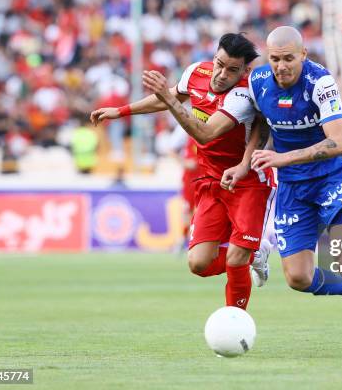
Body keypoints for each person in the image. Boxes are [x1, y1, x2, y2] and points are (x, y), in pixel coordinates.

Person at [90, 33, 274, 310]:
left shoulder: (243, 95)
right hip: (212, 180)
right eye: (219, 64)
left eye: (232, 70)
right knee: (198, 263)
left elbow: (204, 134)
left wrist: (168, 97)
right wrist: (122, 111)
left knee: (236, 259)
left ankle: (236, 321)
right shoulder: (196, 72)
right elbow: (167, 99)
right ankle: (251, 252)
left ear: (245, 70)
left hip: (247, 181)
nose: (222, 74)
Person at [238, 26, 342, 359]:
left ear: (303, 55)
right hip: (294, 188)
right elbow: (260, 122)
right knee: (298, 278)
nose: (281, 66)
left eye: (289, 58)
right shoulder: (258, 82)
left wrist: (281, 158)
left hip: (332, 179)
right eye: (275, 59)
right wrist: (246, 163)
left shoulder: (321, 83)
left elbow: (341, 142)